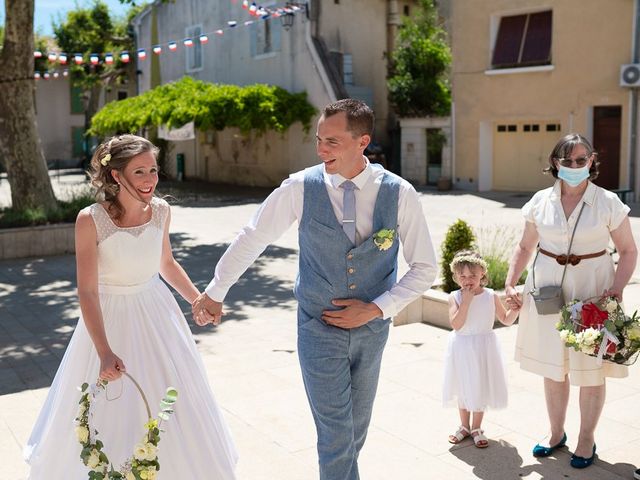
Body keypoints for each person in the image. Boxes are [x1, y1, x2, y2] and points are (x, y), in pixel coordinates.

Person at [192, 99, 438, 480]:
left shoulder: (399, 193)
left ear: (363, 142)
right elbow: (253, 236)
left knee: (355, 432)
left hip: (373, 332)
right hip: (317, 326)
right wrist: (216, 290)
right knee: (336, 437)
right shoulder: (300, 188)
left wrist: (376, 309)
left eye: (333, 142)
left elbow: (425, 268)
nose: (321, 150)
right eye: (319, 139)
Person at [24, 135, 238, 479]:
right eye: (139, 171)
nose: (150, 179)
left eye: (153, 169)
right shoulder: (90, 219)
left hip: (157, 315)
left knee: (169, 399)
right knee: (110, 408)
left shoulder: (162, 212)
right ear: (116, 176)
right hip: (108, 320)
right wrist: (104, 351)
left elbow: (166, 263)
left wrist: (197, 299)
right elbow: (88, 291)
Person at [504, 133, 637, 469]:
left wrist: (617, 289)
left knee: (591, 370)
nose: (575, 166)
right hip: (548, 291)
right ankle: (555, 433)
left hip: (594, 291)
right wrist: (510, 282)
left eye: (582, 160)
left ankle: (586, 439)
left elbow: (628, 251)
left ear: (592, 161)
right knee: (554, 368)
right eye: (568, 161)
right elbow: (524, 247)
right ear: (555, 163)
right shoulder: (539, 201)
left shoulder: (608, 202)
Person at [444, 250, 519, 449]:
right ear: (456, 277)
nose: (468, 280)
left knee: (480, 386)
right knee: (463, 386)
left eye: (473, 276)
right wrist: (466, 302)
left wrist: (516, 310)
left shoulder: (490, 296)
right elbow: (457, 324)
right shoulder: (455, 297)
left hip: (484, 348)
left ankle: (476, 427)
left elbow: (505, 319)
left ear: (482, 274)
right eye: (463, 276)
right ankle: (464, 426)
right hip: (462, 347)